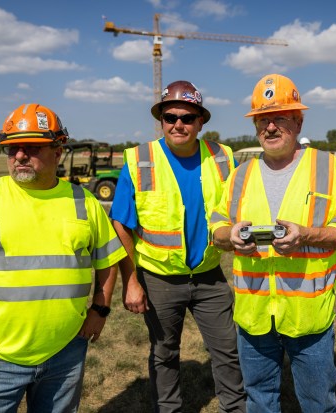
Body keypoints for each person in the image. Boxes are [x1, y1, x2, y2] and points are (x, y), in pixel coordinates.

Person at [0, 103, 127, 412]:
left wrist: (99, 311)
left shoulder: (84, 202)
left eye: (31, 147)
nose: (20, 156)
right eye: (12, 149)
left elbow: (106, 262)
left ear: (58, 149)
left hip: (65, 352)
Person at [211, 74, 336, 413]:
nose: (269, 127)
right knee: (259, 400)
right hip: (254, 315)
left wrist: (306, 235)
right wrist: (230, 237)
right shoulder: (239, 175)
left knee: (317, 404)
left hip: (308, 315)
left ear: (298, 121)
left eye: (279, 117)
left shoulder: (326, 166)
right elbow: (217, 227)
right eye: (262, 119)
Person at [110, 80, 246, 412]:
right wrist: (130, 282)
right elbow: (121, 224)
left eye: (187, 117)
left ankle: (236, 407)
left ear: (201, 121)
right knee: (164, 352)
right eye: (170, 117)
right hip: (158, 278)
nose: (178, 124)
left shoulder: (222, 157)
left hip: (209, 275)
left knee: (228, 349)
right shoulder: (140, 159)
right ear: (161, 120)